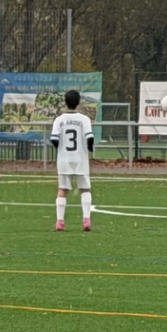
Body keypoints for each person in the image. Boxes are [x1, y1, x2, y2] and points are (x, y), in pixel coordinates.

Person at [49, 87, 94, 232]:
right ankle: (86, 220)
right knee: (85, 189)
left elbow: (54, 139)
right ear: (78, 102)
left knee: (62, 190)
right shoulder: (84, 119)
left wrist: (61, 148)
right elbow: (90, 137)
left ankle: (60, 222)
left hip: (64, 159)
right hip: (80, 159)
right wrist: (90, 148)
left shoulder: (59, 120)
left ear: (65, 102)